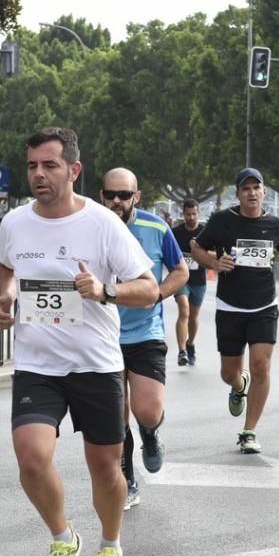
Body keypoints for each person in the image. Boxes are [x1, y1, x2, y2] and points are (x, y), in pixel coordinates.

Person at [0, 127, 158, 556]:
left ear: (74, 170)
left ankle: (110, 547)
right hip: (37, 365)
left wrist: (105, 291)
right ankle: (63, 538)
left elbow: (147, 289)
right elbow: (6, 268)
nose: (38, 175)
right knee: (31, 459)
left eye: (49, 165)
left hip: (96, 365)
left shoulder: (104, 224)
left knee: (106, 467)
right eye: (32, 166)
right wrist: (4, 299)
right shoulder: (15, 223)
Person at [190, 167, 279, 454]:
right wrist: (214, 263)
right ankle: (239, 386)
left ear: (264, 192)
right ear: (238, 194)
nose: (251, 193)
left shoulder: (276, 224)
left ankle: (249, 431)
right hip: (230, 306)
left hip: (264, 304)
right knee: (229, 372)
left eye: (256, 188)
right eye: (245, 188)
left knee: (261, 364)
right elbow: (196, 247)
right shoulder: (223, 221)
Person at [101, 168, 188, 511]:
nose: (118, 202)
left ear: (137, 196)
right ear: (101, 195)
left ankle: (150, 434)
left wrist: (156, 295)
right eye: (111, 195)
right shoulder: (90, 226)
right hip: (103, 335)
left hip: (145, 333)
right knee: (115, 415)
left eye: (125, 195)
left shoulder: (156, 226)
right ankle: (129, 482)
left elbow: (180, 270)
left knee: (147, 412)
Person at [171, 198, 207, 366]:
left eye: (194, 214)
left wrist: (198, 250)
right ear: (183, 214)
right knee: (183, 311)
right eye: (188, 214)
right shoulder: (175, 233)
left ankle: (190, 344)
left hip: (198, 280)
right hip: (181, 279)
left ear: (198, 213)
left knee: (193, 316)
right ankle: (181, 351)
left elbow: (215, 254)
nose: (191, 217)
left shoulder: (205, 232)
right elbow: (168, 254)